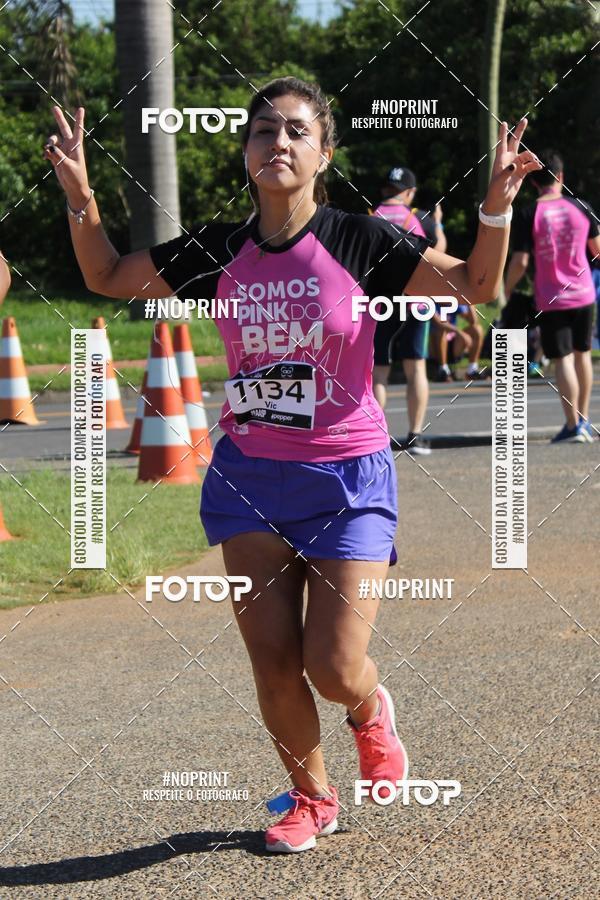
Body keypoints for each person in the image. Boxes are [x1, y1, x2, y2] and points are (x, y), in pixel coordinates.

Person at [44, 77, 540, 853]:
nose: (278, 143)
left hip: (347, 479)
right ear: (245, 152)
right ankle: (312, 799)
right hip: (248, 479)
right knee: (274, 665)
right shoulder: (216, 252)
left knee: (335, 665)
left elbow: (478, 285)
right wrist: (81, 197)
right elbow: (106, 275)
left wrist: (497, 205)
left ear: (323, 153)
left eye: (297, 132)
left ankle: (370, 710)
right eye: (263, 131)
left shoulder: (361, 241)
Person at [505, 149, 600, 442]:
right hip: (585, 295)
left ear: (534, 182)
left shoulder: (528, 213)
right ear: (560, 177)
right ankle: (583, 421)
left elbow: (520, 262)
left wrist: (505, 290)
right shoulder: (582, 207)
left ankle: (572, 425)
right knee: (583, 354)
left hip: (552, 297)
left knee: (562, 359)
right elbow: (597, 251)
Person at [371, 168, 446, 454]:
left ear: (384, 190)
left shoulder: (368, 216)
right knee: (416, 368)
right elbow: (440, 253)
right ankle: (415, 435)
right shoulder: (421, 218)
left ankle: (377, 439)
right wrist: (437, 224)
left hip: (379, 304)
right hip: (415, 301)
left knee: (379, 372)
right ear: (410, 192)